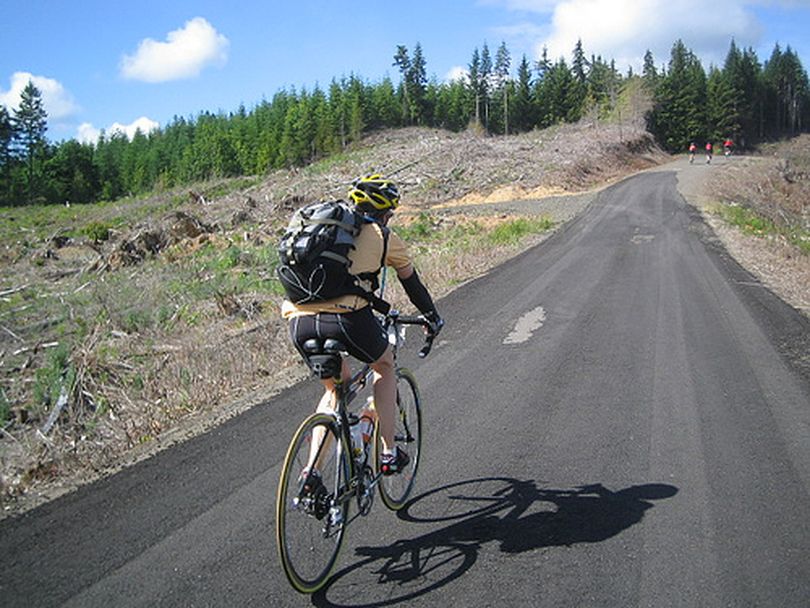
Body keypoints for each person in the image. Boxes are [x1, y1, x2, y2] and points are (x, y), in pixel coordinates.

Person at [282, 174, 443, 478]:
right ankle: (389, 453)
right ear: (386, 212)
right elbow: (412, 283)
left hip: (298, 321)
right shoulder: (383, 236)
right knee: (383, 365)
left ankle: (310, 474)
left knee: (335, 391)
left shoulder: (322, 232)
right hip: (346, 320)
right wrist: (432, 316)